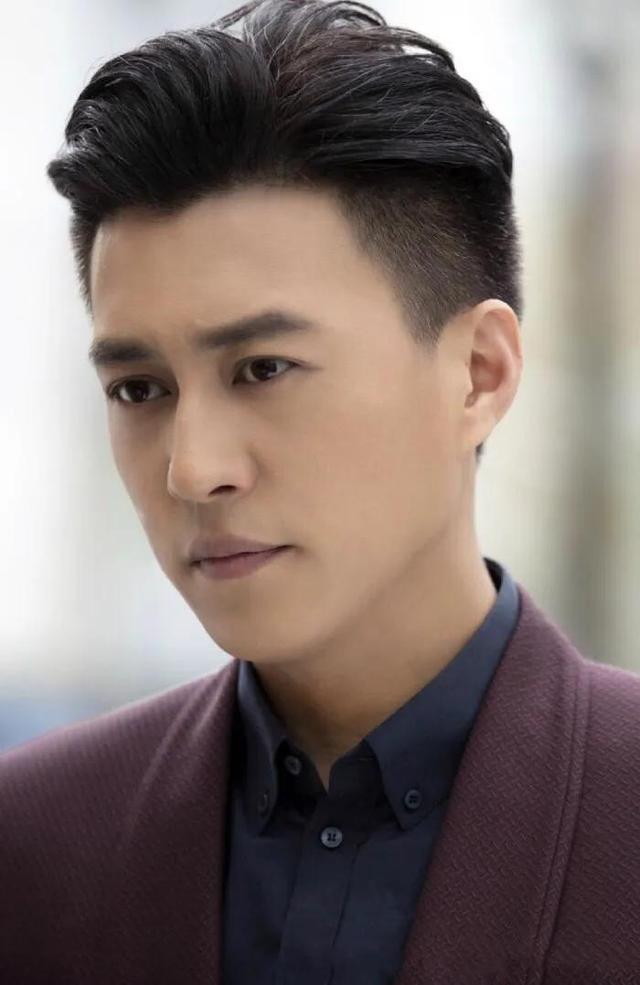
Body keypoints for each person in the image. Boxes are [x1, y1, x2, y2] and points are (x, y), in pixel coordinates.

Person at [2, 1, 639, 982]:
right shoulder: (36, 845)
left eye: (263, 368)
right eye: (138, 388)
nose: (191, 467)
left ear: (479, 372)